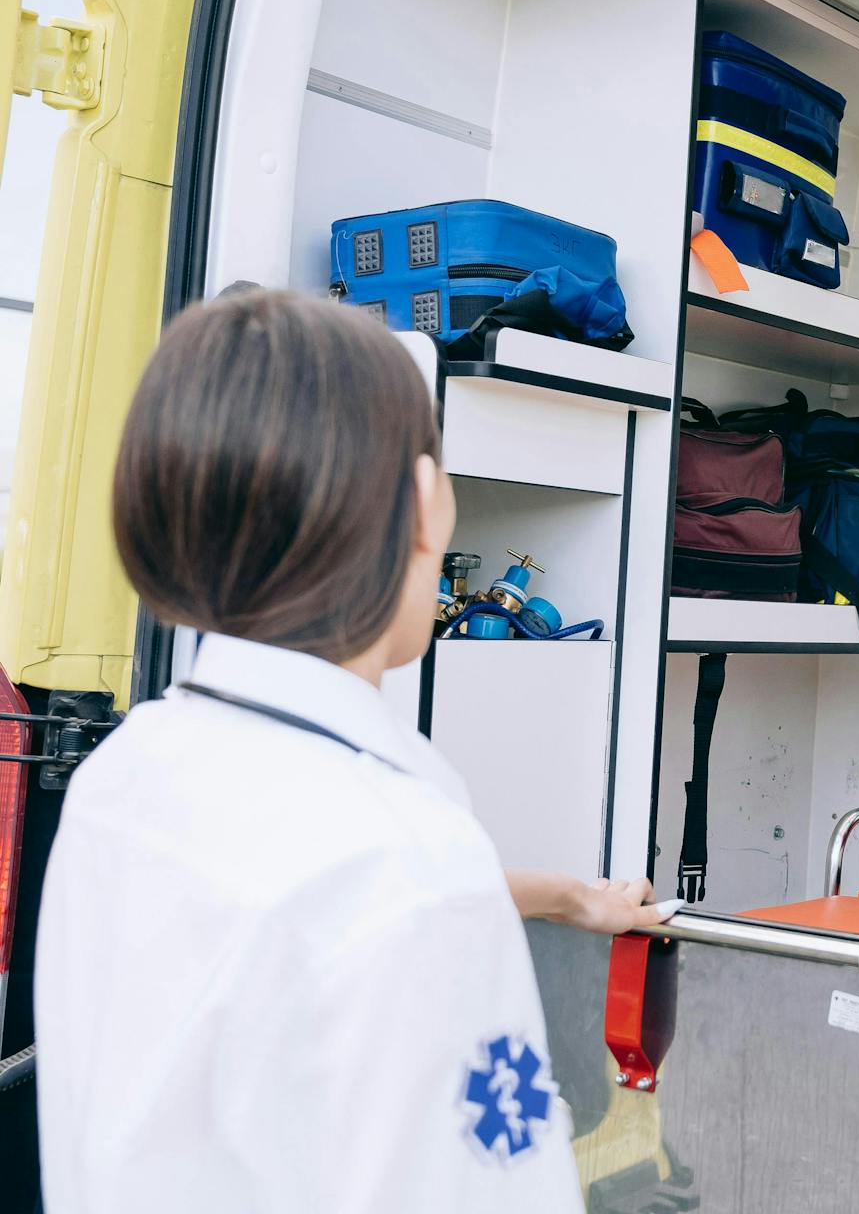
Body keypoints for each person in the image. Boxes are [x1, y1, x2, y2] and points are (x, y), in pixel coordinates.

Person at [33, 291, 675, 1211]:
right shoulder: (403, 862)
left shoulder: (129, 773)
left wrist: (573, 896)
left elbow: (295, 918)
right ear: (426, 503)